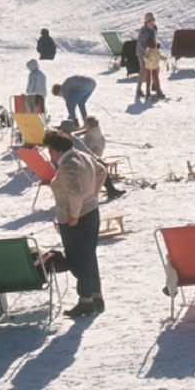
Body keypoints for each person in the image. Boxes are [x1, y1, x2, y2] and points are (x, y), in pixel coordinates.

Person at [46, 130, 105, 318]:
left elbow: (75, 193)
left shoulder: (68, 165)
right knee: (88, 256)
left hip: (77, 218)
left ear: (55, 150)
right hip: (91, 211)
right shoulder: (83, 156)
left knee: (78, 259)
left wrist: (73, 215)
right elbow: (101, 171)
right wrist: (93, 195)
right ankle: (95, 297)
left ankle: (85, 300)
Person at [56, 119, 125, 200]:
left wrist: (98, 159)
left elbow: (86, 151)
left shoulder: (69, 138)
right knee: (100, 168)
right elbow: (84, 151)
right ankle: (109, 191)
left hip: (75, 162)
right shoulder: (68, 140)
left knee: (100, 166)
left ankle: (111, 190)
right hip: (74, 165)